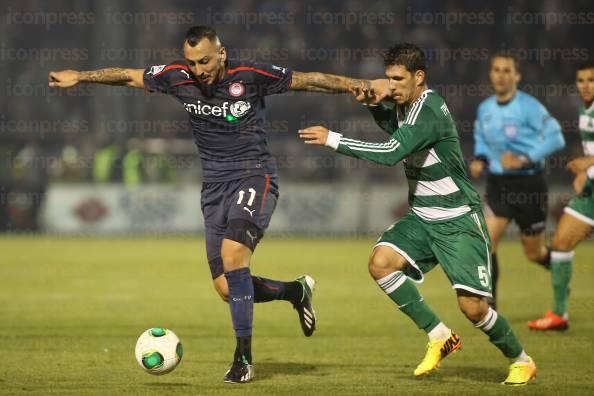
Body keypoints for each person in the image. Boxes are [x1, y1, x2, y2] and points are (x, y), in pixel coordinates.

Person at [48, 26, 380, 384]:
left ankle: (243, 358)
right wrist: (79, 76)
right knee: (227, 288)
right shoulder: (176, 77)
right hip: (214, 188)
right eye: (192, 62)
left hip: (255, 176)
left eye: (204, 60)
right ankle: (295, 291)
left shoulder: (250, 75)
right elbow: (128, 76)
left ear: (222, 53)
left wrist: (353, 84)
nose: (198, 69)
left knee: (235, 256)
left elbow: (307, 79)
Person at [299, 43, 536, 385]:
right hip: (424, 217)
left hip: (457, 220)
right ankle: (439, 336)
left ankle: (521, 359)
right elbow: (398, 133)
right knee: (380, 263)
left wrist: (332, 139)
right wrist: (373, 107)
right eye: (388, 78)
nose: (391, 85)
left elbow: (391, 152)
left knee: (472, 308)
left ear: (419, 77)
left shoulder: (429, 110)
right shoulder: (404, 104)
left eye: (398, 79)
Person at [469, 53, 565, 308]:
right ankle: (490, 309)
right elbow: (481, 138)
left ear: (517, 76)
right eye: (496, 70)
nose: (500, 75)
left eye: (506, 71)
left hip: (529, 186)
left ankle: (559, 266)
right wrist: (480, 159)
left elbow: (556, 138)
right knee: (486, 241)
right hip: (499, 185)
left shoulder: (530, 107)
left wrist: (525, 158)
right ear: (490, 74)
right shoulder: (485, 108)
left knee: (534, 252)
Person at [528, 60, 594, 331]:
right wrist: (585, 171)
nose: (585, 86)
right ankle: (559, 314)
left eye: (591, 80)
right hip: (591, 193)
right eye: (581, 81)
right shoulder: (583, 108)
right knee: (561, 242)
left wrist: (587, 164)